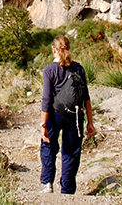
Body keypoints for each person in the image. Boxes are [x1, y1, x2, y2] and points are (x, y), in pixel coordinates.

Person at [40, 35, 96, 194]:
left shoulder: (49, 70)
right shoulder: (79, 68)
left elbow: (46, 99)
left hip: (54, 114)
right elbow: (86, 98)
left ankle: (47, 183)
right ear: (68, 48)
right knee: (71, 152)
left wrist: (43, 124)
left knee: (48, 147)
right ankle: (68, 189)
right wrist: (90, 123)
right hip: (76, 115)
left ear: (53, 49)